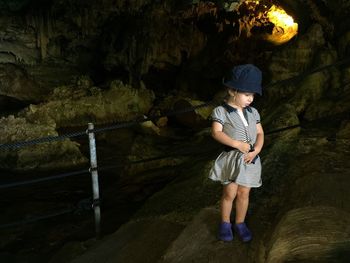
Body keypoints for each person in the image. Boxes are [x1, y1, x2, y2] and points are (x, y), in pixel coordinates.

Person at [209, 64, 264, 242]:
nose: (251, 99)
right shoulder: (221, 111)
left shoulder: (253, 112)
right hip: (232, 158)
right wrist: (236, 144)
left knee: (244, 193)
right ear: (232, 90)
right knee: (230, 193)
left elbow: (261, 133)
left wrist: (256, 150)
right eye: (247, 94)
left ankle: (240, 223)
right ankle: (225, 223)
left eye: (253, 95)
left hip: (250, 159)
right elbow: (216, 132)